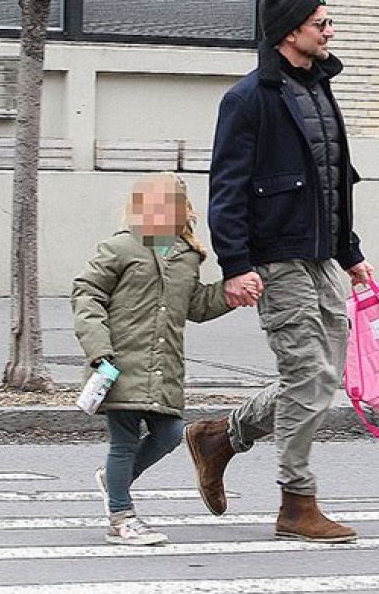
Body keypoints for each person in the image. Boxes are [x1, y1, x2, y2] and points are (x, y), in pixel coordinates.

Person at [185, 0, 373, 544]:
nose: (330, 31)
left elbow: (334, 180)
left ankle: (221, 436)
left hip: (321, 258)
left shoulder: (318, 89)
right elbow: (228, 188)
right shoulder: (250, 98)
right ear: (291, 31)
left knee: (323, 377)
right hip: (276, 261)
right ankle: (297, 502)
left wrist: (351, 253)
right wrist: (236, 263)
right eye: (322, 22)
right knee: (308, 378)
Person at [71, 173, 249, 546]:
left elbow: (196, 305)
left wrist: (231, 296)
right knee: (122, 442)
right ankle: (120, 518)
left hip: (163, 366)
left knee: (169, 434)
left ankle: (112, 480)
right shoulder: (121, 247)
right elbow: (87, 293)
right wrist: (99, 349)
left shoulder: (185, 256)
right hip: (117, 363)